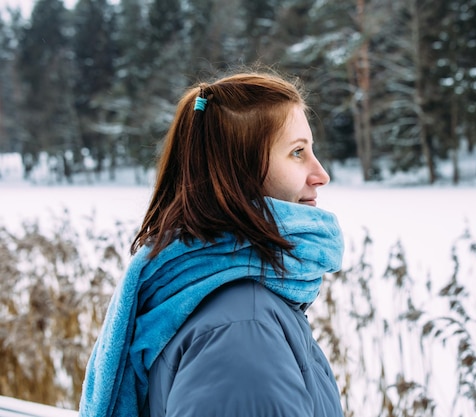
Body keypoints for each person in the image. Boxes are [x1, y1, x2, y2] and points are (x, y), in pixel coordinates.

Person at [78, 71, 345, 417]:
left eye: (311, 151)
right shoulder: (242, 330)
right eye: (297, 152)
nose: (320, 173)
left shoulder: (212, 292)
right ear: (239, 173)